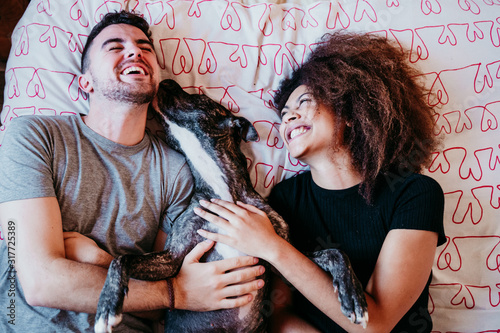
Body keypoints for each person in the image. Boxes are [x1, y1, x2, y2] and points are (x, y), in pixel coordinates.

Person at [0, 11, 264, 332]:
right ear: (86, 82)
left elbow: (157, 309)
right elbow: (39, 282)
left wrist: (99, 261)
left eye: (144, 46)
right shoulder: (34, 135)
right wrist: (177, 292)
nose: (135, 51)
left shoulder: (176, 171)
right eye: (114, 46)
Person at [194, 31, 446, 332]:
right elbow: (279, 314)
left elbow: (377, 324)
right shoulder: (285, 199)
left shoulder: (415, 193)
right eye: (285, 114)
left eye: (305, 102)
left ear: (350, 112)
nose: (289, 118)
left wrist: (271, 246)